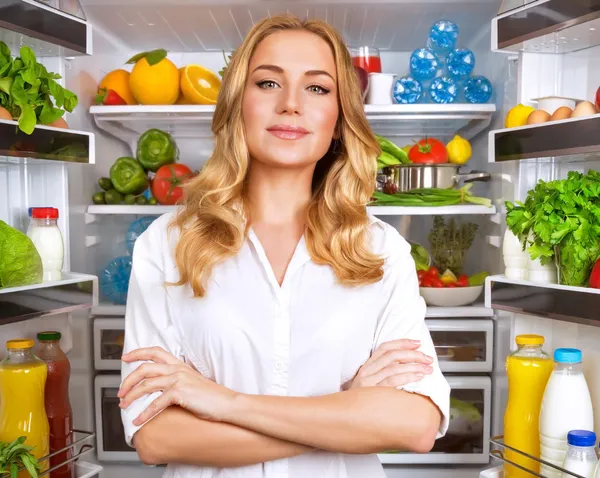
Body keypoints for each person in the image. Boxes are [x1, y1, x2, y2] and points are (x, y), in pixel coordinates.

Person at [118, 13, 450, 478]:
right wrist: (348, 411)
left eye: (317, 88)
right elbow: (155, 436)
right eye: (268, 83)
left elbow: (416, 423)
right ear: (238, 104)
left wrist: (223, 402)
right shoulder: (168, 244)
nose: (291, 104)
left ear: (338, 120)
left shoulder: (379, 249)